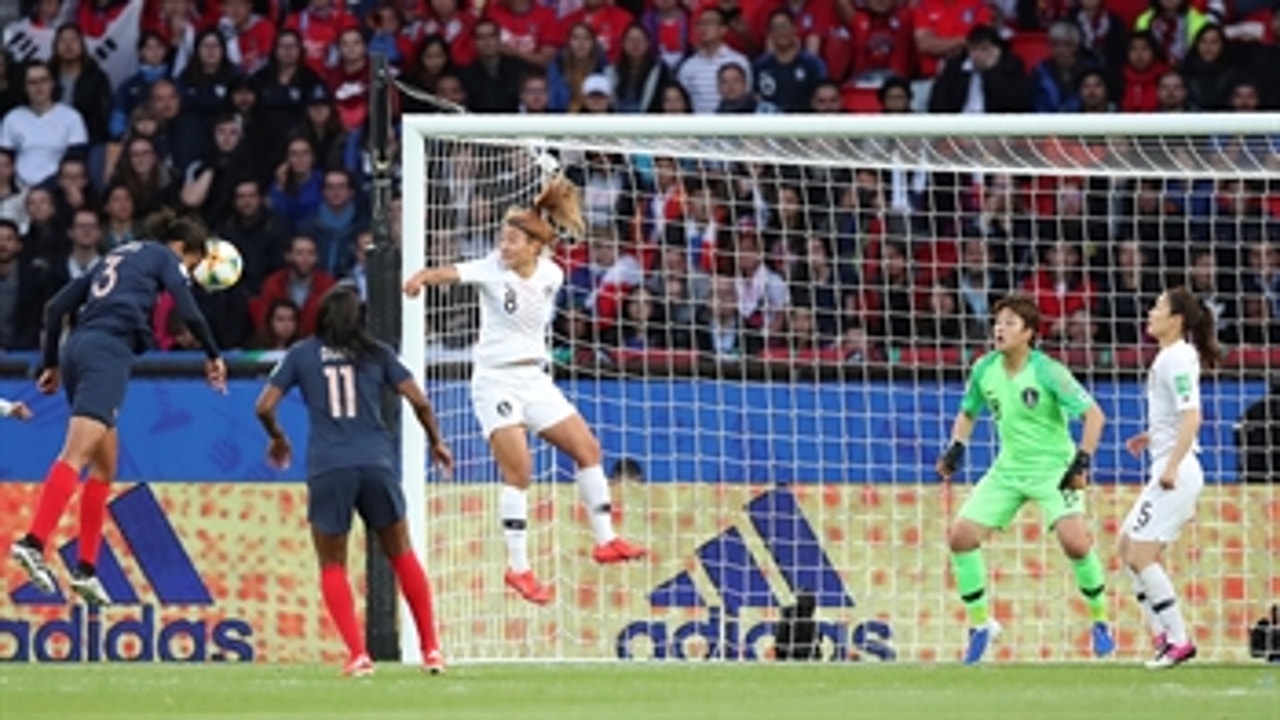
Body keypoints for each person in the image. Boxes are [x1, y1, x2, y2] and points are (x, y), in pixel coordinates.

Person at [403, 171, 646, 606]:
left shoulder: (551, 273)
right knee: (520, 472)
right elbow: (450, 272)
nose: (503, 246)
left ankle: (605, 539)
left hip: (535, 379)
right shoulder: (491, 270)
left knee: (588, 449)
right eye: (502, 239)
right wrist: (421, 277)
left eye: (512, 241)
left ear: (535, 247)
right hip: (495, 380)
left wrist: (538, 211)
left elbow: (545, 233)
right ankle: (519, 569)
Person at [9, 210, 226, 606]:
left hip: (79, 349)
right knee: (75, 454)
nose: (188, 273)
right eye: (192, 265)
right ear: (184, 250)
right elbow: (189, 309)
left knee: (106, 463)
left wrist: (52, 363)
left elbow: (57, 307)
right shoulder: (164, 257)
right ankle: (33, 541)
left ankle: (87, 569)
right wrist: (213, 355)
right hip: (108, 352)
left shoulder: (118, 255)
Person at [253, 285, 453, 677]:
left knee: (332, 564)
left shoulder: (301, 354)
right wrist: (436, 441)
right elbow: (420, 400)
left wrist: (278, 438)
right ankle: (431, 651)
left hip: (329, 466)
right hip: (376, 462)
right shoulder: (377, 353)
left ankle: (358, 655)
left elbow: (263, 406)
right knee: (402, 553)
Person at [936, 293, 1113, 664]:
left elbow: (1094, 415)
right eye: (998, 322)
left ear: (1029, 333)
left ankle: (1100, 622)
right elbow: (968, 412)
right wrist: (956, 449)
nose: (1000, 329)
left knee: (1076, 544)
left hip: (1054, 469)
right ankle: (981, 625)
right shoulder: (984, 369)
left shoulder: (1049, 371)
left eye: (1010, 323)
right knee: (960, 537)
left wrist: (1081, 463)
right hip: (1009, 469)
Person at [1119, 287, 1215, 669]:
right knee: (1127, 548)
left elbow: (1192, 415)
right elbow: (1176, 417)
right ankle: (1161, 635)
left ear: (1176, 319)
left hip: (1177, 469)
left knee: (1141, 554)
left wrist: (1172, 465)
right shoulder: (1169, 357)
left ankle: (1179, 641)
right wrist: (1153, 436)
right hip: (1167, 462)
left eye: (1158, 306)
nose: (1151, 311)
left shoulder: (1177, 357)